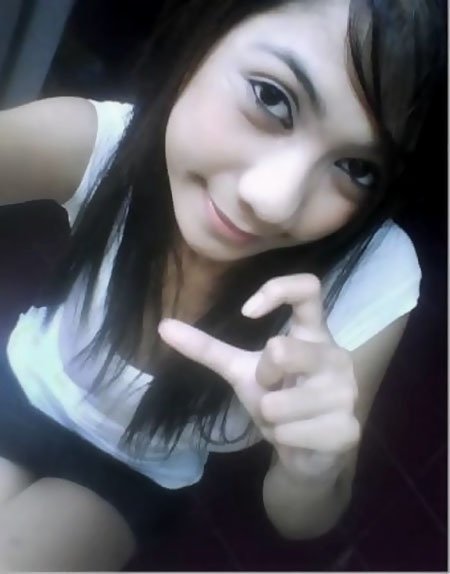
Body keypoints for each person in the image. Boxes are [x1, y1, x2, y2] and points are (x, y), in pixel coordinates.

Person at [0, 0, 444, 570]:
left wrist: (311, 466)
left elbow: (302, 518)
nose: (274, 200)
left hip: (134, 471)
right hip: (24, 385)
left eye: (357, 168)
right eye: (272, 98)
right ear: (206, 35)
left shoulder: (373, 271)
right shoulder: (102, 145)